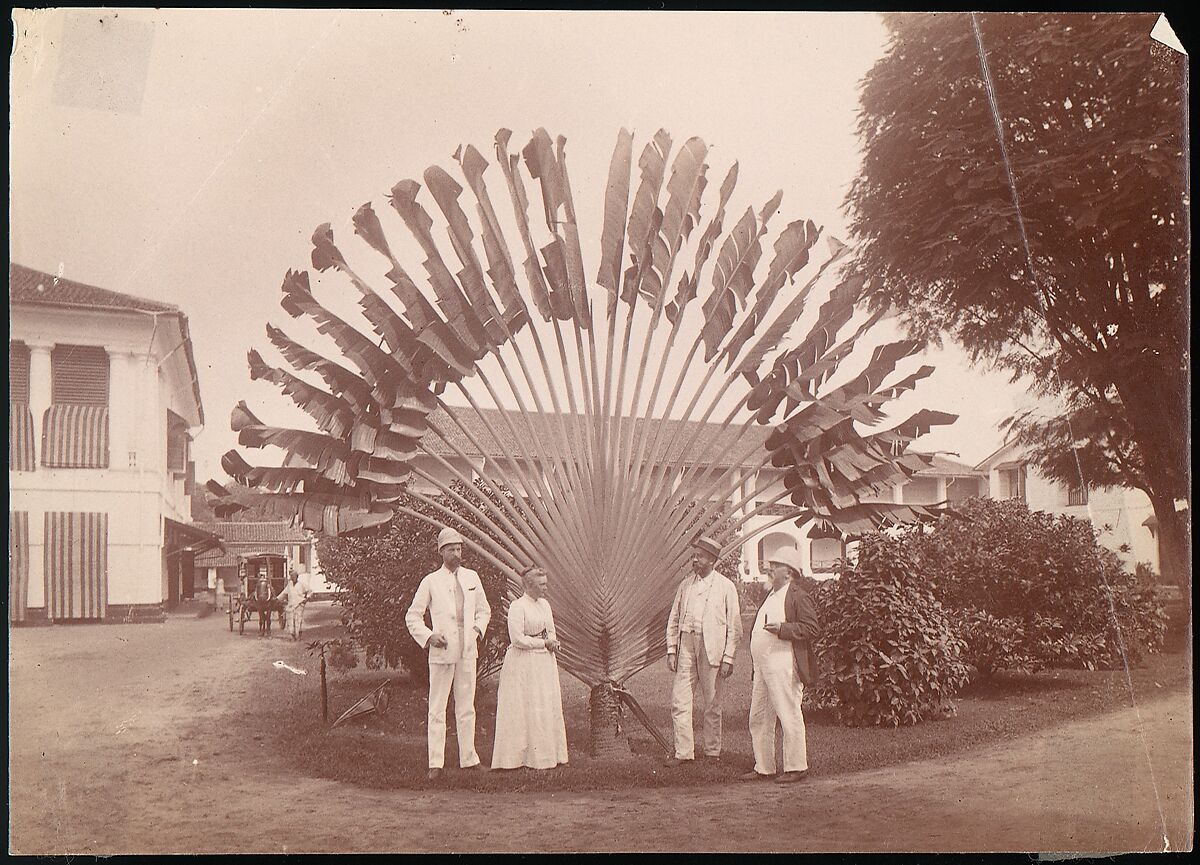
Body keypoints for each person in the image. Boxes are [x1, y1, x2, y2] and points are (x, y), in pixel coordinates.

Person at [405, 527, 492, 781]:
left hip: (467, 650)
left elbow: (484, 610)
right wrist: (429, 636)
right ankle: (435, 762)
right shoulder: (430, 581)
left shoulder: (472, 578)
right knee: (437, 706)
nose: (457, 553)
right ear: (441, 551)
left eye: (459, 548)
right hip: (442, 652)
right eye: (452, 548)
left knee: (467, 705)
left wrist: (476, 630)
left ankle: (469, 759)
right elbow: (413, 615)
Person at [741, 547, 819, 784]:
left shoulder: (797, 595)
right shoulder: (771, 595)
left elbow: (812, 628)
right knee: (759, 716)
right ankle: (764, 766)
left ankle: (796, 766)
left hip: (785, 664)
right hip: (765, 667)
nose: (769, 568)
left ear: (789, 572)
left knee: (788, 713)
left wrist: (783, 629)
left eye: (775, 566)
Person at [664, 534, 742, 765]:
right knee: (680, 700)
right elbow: (674, 619)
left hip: (712, 648)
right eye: (694, 557)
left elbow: (734, 626)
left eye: (699, 557)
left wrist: (728, 657)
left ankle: (712, 752)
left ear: (711, 560)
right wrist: (672, 649)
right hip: (687, 644)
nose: (695, 561)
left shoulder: (725, 587)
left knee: (712, 702)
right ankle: (683, 752)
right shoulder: (686, 586)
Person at [491, 566, 569, 771]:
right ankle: (516, 758)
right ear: (529, 586)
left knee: (542, 704)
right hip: (523, 664)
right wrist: (543, 644)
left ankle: (544, 756)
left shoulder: (545, 605)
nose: (546, 588)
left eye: (546, 583)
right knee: (523, 707)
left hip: (543, 663)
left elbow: (550, 631)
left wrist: (553, 642)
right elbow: (517, 639)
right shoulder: (518, 606)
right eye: (542, 584)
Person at [276, 568, 311, 640]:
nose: (292, 578)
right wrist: (276, 599)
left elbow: (310, 591)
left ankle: (298, 635)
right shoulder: (290, 584)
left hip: (299, 604)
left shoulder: (301, 584)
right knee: (290, 620)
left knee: (298, 619)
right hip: (291, 604)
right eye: (291, 576)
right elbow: (284, 593)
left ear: (297, 577)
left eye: (294, 576)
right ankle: (292, 635)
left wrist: (306, 598)